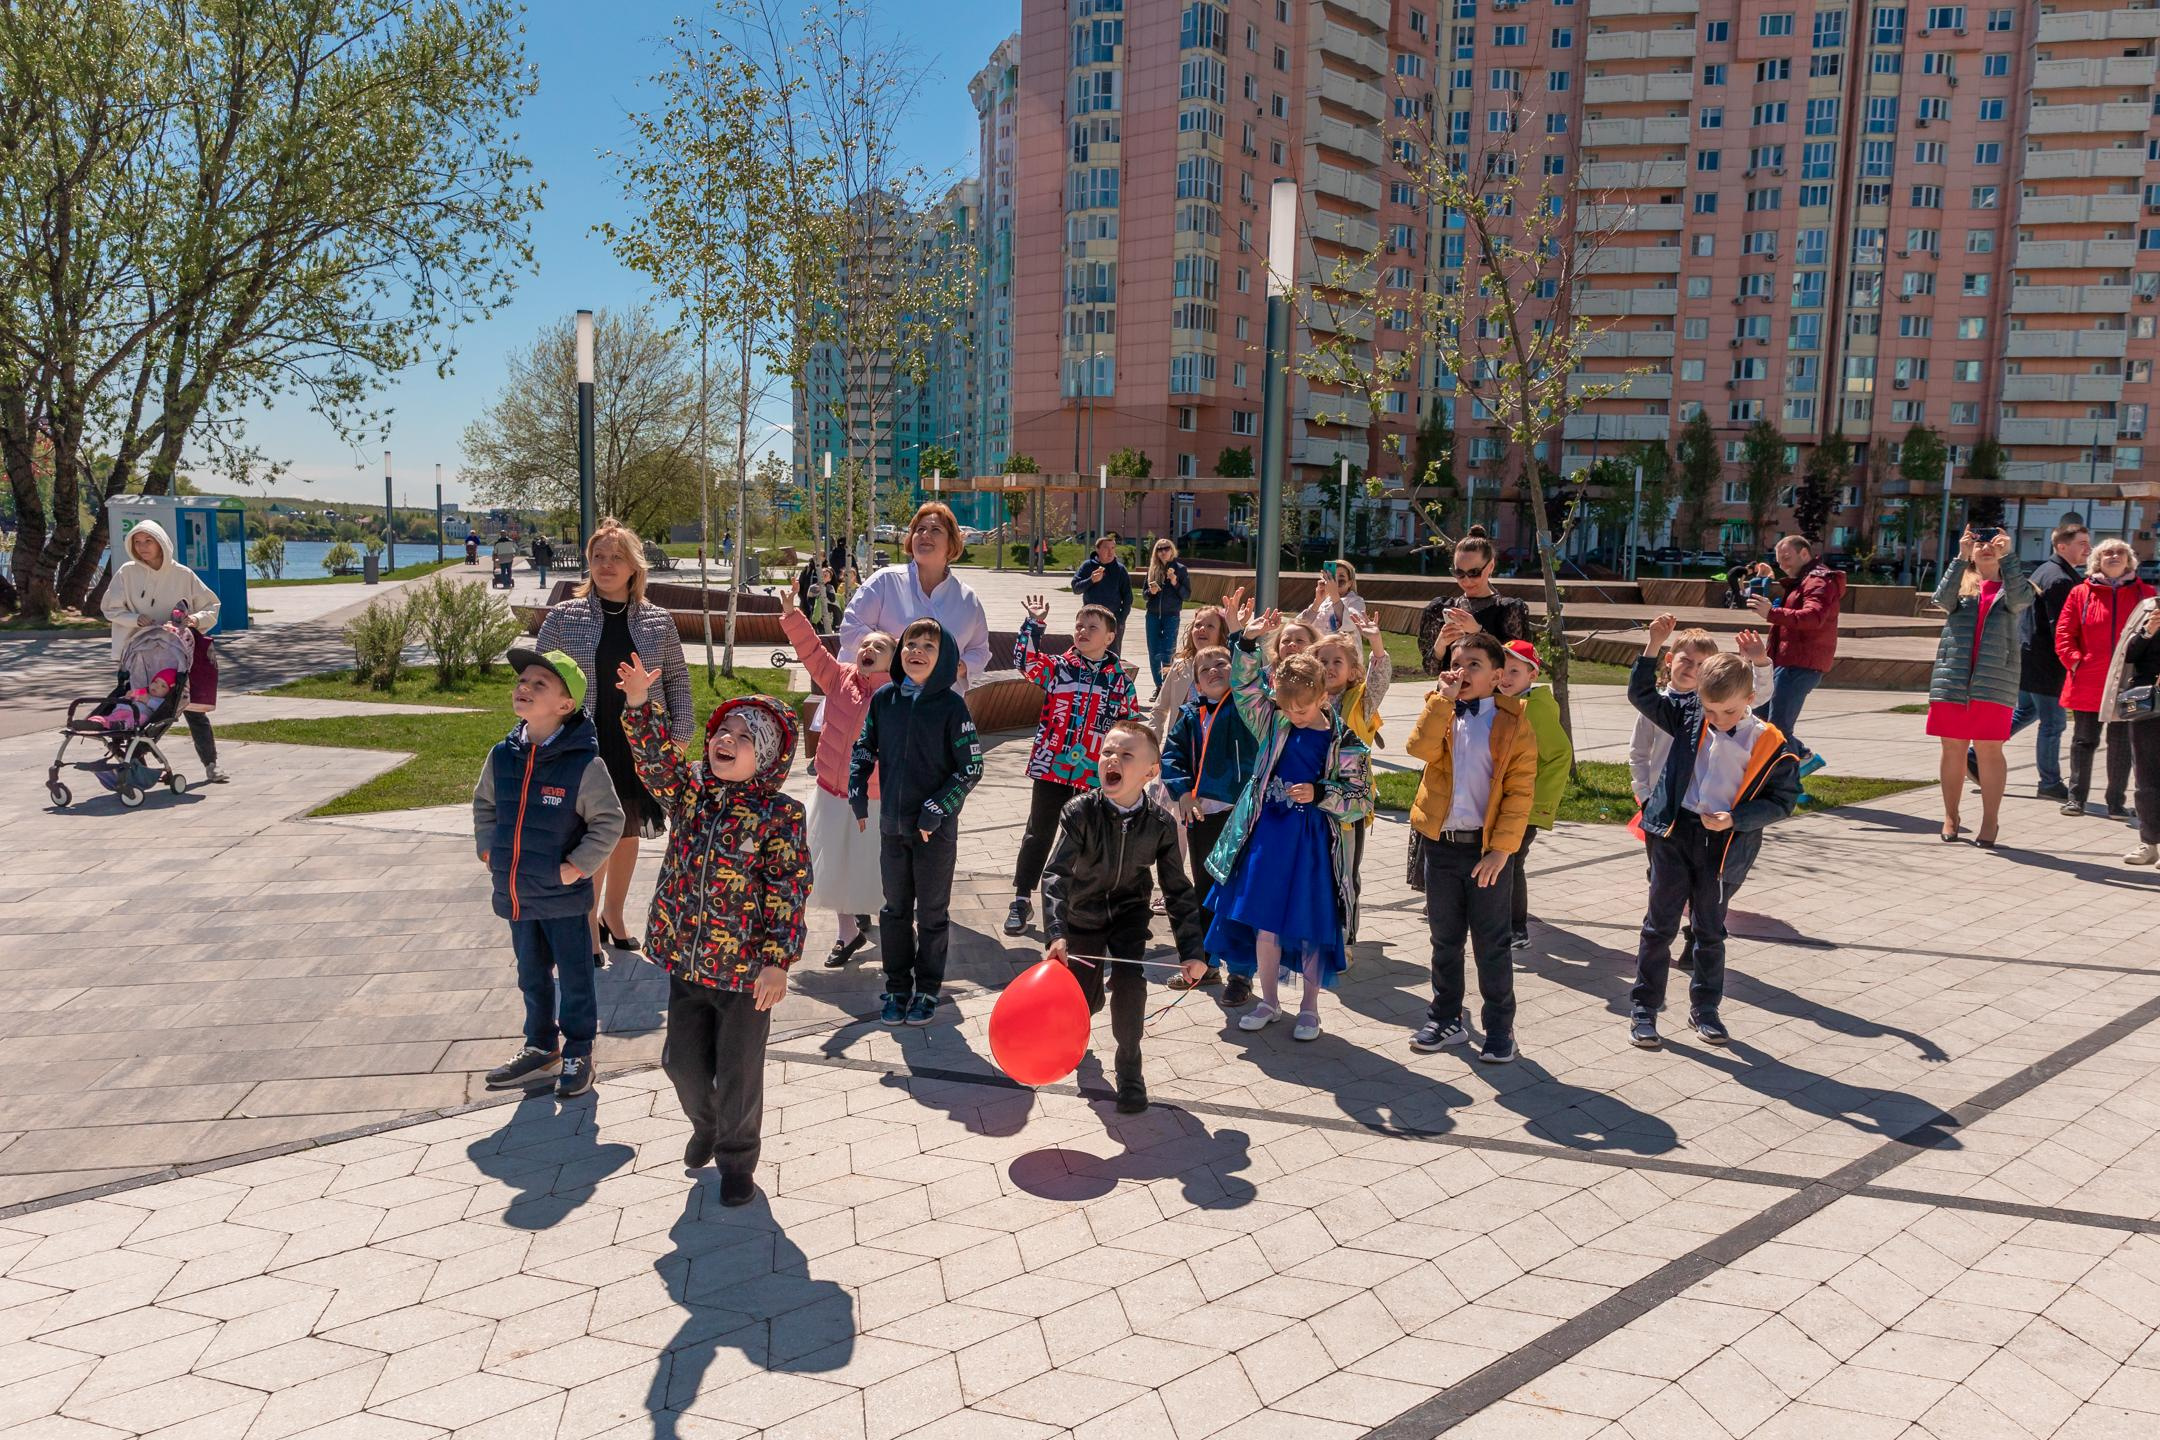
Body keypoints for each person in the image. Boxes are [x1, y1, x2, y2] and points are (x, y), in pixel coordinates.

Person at [619, 662, 808, 1206]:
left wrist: (777, 961)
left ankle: (737, 1160)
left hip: (747, 976)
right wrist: (639, 703)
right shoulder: (690, 793)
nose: (727, 739)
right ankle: (707, 1123)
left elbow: (789, 887)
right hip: (687, 960)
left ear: (765, 757)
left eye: (745, 738)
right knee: (680, 1064)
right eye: (724, 730)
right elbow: (654, 761)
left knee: (739, 1074)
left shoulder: (780, 815)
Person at [1204, 611, 1373, 1042]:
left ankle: (1310, 1008)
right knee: (1265, 922)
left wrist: (1320, 793)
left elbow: (1361, 799)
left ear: (1323, 696)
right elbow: (1245, 689)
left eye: (1303, 708)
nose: (1294, 715)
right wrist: (1247, 644)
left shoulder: (1344, 741)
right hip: (1268, 837)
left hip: (1312, 843)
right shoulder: (1273, 721)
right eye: (1287, 707)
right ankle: (1268, 1001)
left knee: (1308, 923)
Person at [1627, 634, 1800, 1049]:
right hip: (1674, 833)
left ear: (1749, 700)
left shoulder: (1770, 743)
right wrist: (1652, 647)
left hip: (1723, 844)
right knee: (1659, 926)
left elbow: (1783, 801)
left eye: (1728, 711)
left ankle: (1705, 1009)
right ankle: (1644, 1009)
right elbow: (1641, 695)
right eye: (1709, 709)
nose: (1718, 719)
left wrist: (1735, 819)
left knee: (1709, 930)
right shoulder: (1687, 715)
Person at [472, 649, 627, 1101]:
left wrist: (578, 866)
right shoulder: (502, 756)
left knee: (575, 979)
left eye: (539, 684)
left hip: (563, 897)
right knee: (532, 975)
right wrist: (488, 846)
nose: (524, 687)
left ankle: (579, 1051)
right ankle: (541, 1047)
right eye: (523, 680)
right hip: (518, 893)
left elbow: (609, 821)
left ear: (565, 704)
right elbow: (485, 804)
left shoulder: (583, 765)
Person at [537, 519, 691, 960]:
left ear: (634, 566)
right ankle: (586, 924)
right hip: (583, 741)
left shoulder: (657, 621)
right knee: (592, 833)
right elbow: (537, 676)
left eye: (616, 557)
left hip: (639, 742)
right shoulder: (564, 617)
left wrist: (680, 735)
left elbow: (678, 680)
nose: (606, 565)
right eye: (599, 556)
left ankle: (614, 915)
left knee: (627, 831)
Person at [1042, 720, 1210, 1113]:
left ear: (1150, 773)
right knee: (1083, 1001)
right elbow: (1056, 874)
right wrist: (1056, 932)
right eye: (1108, 752)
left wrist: (1192, 952)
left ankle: (1130, 1069)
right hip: (1082, 914)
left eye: (1126, 755)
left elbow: (1178, 891)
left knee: (1131, 984)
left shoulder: (1160, 823)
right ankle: (1090, 1004)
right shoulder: (1079, 812)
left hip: (1129, 915)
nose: (1112, 759)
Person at [1403, 633, 1538, 1061]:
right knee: (1444, 940)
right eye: (1456, 663)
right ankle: (1445, 1018)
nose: (1461, 671)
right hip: (1441, 846)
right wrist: (1441, 702)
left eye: (1473, 665)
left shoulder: (1513, 723)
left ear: (1497, 677)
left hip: (1486, 852)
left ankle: (1499, 1028)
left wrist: (1502, 850)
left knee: (1491, 943)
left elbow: (1520, 792)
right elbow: (1418, 748)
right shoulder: (1441, 710)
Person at [850, 618, 984, 1027]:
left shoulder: (952, 707)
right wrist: (857, 786)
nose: (917, 651)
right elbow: (865, 745)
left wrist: (936, 808)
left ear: (944, 658)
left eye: (929, 645)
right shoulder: (885, 699)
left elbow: (971, 768)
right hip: (892, 828)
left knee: (931, 913)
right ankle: (897, 987)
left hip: (934, 833)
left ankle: (927, 988)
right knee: (893, 910)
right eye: (910, 643)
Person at [1627, 626, 1775, 971]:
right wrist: (1645, 795)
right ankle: (1656, 941)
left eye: (1702, 665)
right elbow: (1639, 752)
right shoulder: (1663, 707)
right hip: (1662, 810)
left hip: (1707, 816)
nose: (1692, 669)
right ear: (1670, 660)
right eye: (1687, 660)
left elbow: (1756, 698)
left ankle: (1696, 935)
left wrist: (1759, 662)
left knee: (1707, 886)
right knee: (1662, 879)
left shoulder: (1714, 711)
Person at [1003, 597, 1142, 935]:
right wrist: (1034, 624)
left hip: (1092, 774)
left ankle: (1077, 903)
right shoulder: (1058, 668)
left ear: (1110, 637)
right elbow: (1025, 660)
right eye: (1079, 625)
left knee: (1084, 838)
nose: (1083, 631)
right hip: (1052, 765)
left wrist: (1127, 773)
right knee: (1039, 832)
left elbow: (1129, 730)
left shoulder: (1120, 682)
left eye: (1092, 627)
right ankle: (1021, 899)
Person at [779, 587, 894, 968]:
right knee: (830, 865)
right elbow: (812, 653)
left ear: (893, 660)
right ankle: (848, 932)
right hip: (829, 792)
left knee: (872, 868)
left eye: (880, 646)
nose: (869, 648)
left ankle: (895, 933)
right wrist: (793, 615)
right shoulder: (839, 678)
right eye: (866, 644)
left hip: (872, 798)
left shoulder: (898, 698)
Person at [1159, 644, 1261, 1000]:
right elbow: (1172, 757)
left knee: (1238, 894)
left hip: (1241, 815)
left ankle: (1241, 974)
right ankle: (1204, 964)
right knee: (1204, 891)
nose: (1214, 670)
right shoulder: (1190, 715)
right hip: (1202, 816)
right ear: (1197, 684)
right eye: (1205, 669)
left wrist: (1245, 641)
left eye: (1222, 664)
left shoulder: (1247, 707)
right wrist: (1183, 793)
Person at [1925, 529, 2030, 846]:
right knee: (1952, 749)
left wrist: (2008, 558)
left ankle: (1990, 821)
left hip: (1994, 681)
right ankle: (1951, 816)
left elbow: (2022, 600)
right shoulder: (1961, 582)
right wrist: (1959, 557)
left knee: (1989, 751)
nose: (1985, 547)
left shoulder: (2011, 585)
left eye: (1992, 543)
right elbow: (1940, 600)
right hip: (1952, 680)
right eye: (1979, 543)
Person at [101, 520, 226, 782]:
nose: (142, 547)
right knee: (142, 710)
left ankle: (211, 764)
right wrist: (135, 618)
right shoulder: (127, 573)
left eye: (148, 541)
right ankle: (134, 765)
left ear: (161, 543)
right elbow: (110, 608)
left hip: (177, 654)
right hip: (138, 655)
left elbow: (211, 605)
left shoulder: (182, 575)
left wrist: (193, 620)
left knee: (193, 709)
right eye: (137, 542)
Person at [1984, 519, 2088, 800]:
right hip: (2045, 662)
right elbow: (2061, 628)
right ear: (2062, 546)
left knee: (2027, 711)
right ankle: (2050, 783)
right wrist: (2074, 660)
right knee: (2053, 723)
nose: (2088, 549)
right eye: (2082, 544)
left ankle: (1974, 755)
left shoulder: (2046, 570)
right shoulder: (2060, 579)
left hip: (2028, 656)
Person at [839, 502, 992, 685]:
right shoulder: (885, 581)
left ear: (952, 543)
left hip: (942, 699)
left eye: (935, 530)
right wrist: (894, 652)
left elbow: (979, 651)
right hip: (875, 695)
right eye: (920, 529)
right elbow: (850, 629)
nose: (925, 534)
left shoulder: (968, 600)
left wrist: (956, 666)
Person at [2056, 537, 2153, 820]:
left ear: (2129, 560)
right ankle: (2076, 799)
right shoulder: (2080, 593)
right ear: (2097, 560)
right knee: (2083, 741)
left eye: (2120, 552)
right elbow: (2064, 633)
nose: (2114, 556)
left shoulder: (2146, 594)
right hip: (2089, 679)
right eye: (2107, 552)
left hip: (2128, 682)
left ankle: (2115, 803)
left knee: (2121, 745)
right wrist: (2075, 661)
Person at [1494, 639, 1573, 955]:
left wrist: (1539, 803)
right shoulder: (1505, 703)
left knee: (1510, 864)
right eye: (1503, 670)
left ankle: (1516, 928)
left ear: (1532, 675)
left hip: (1524, 806)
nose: (1506, 677)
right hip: (1503, 802)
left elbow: (1560, 755)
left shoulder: (1535, 709)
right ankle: (1500, 921)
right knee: (1502, 862)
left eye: (1515, 671)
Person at [1746, 534, 1846, 778]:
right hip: (1788, 661)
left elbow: (1813, 617)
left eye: (1787, 558)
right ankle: (1802, 757)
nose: (1783, 564)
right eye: (1779, 560)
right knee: (1759, 718)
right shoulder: (1804, 580)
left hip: (1801, 664)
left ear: (1804, 553)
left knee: (1778, 727)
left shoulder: (1819, 581)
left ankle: (1791, 779)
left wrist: (1772, 613)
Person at [2099, 595, 2160, 864]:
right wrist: (2147, 632)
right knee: (2145, 778)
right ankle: (2149, 842)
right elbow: (2130, 654)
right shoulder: (2148, 608)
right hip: (2147, 703)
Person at [1421, 528, 1530, 676]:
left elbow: (1515, 667)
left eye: (1474, 573)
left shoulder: (1508, 610)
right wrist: (1440, 645)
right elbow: (1431, 670)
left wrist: (1478, 632)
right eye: (1459, 573)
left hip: (1492, 692)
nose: (1466, 580)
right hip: (1452, 690)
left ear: (1491, 566)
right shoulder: (1439, 609)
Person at [1149, 605, 1232, 737]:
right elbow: (1160, 709)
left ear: (1222, 633)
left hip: (1213, 742)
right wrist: (1152, 741)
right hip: (1180, 743)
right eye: (1198, 625)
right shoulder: (1180, 666)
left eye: (1210, 626)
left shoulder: (1228, 669)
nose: (1202, 629)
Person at [1072, 533, 1134, 654]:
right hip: (1090, 618)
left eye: (1113, 548)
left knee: (1112, 654)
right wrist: (1091, 580)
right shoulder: (1088, 566)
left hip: (1113, 618)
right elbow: (1076, 588)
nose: (1110, 552)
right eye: (1106, 548)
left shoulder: (1120, 569)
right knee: (1089, 652)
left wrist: (1121, 619)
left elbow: (1128, 597)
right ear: (1097, 549)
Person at [1141, 539, 1192, 686]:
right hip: (1153, 615)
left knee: (1168, 652)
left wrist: (1175, 582)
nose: (1163, 552)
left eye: (1166, 548)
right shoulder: (1152, 569)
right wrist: (1151, 592)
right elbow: (1144, 595)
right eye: (1159, 549)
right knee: (1154, 652)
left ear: (1172, 550)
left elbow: (1187, 595)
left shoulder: (1180, 569)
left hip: (1171, 615)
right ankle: (1158, 686)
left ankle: (1167, 686)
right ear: (1156, 552)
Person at [1299, 559, 1369, 636]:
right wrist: (1317, 602)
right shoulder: (1323, 602)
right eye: (1332, 576)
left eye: (1341, 576)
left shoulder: (1356, 601)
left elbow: (1352, 624)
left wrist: (1334, 595)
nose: (1336, 580)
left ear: (1350, 583)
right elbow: (1300, 626)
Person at [92, 668, 176, 731]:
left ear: (168, 692)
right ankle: (96, 722)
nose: (157, 686)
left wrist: (148, 701)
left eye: (163, 686)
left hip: (137, 716)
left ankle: (123, 725)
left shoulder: (161, 701)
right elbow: (124, 699)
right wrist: (127, 696)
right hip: (123, 710)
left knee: (142, 718)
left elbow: (161, 709)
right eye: (156, 682)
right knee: (112, 716)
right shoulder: (142, 691)